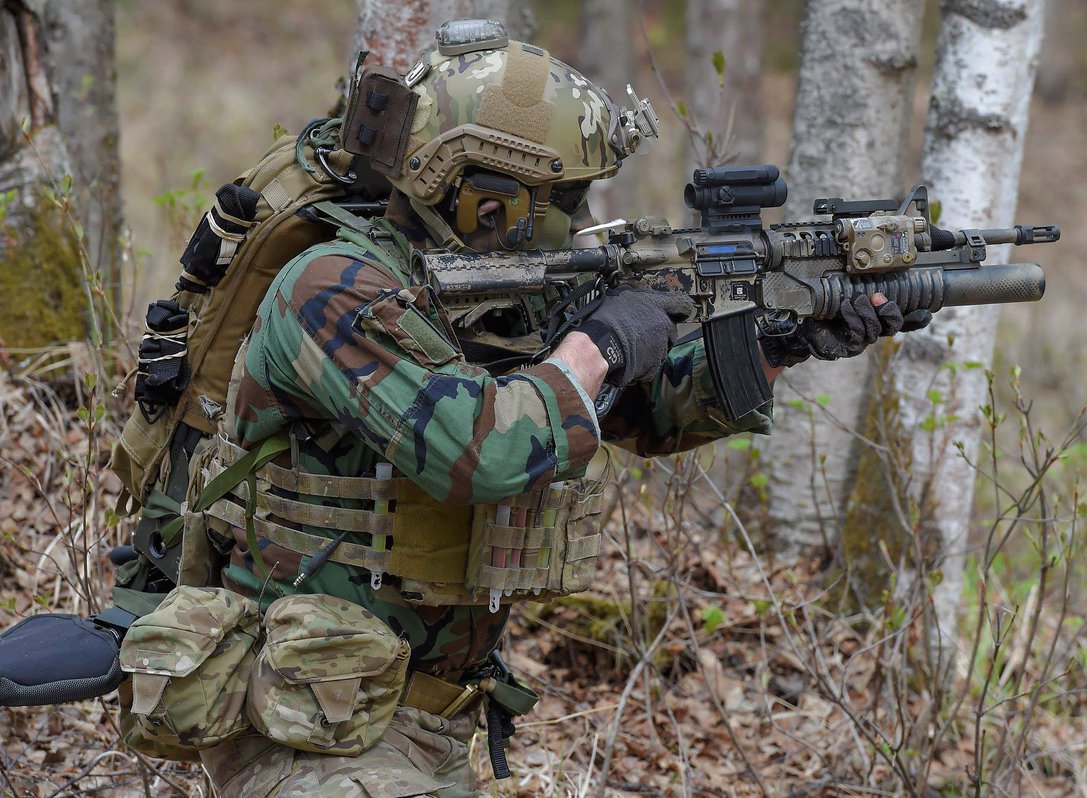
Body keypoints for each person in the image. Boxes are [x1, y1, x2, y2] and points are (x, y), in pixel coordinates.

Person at [173, 20, 929, 797]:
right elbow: (484, 452)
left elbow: (639, 412)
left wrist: (785, 338)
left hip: (421, 722)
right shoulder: (330, 289)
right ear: (483, 201)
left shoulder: (487, 291)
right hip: (302, 729)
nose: (582, 213)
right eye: (564, 196)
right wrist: (597, 343)